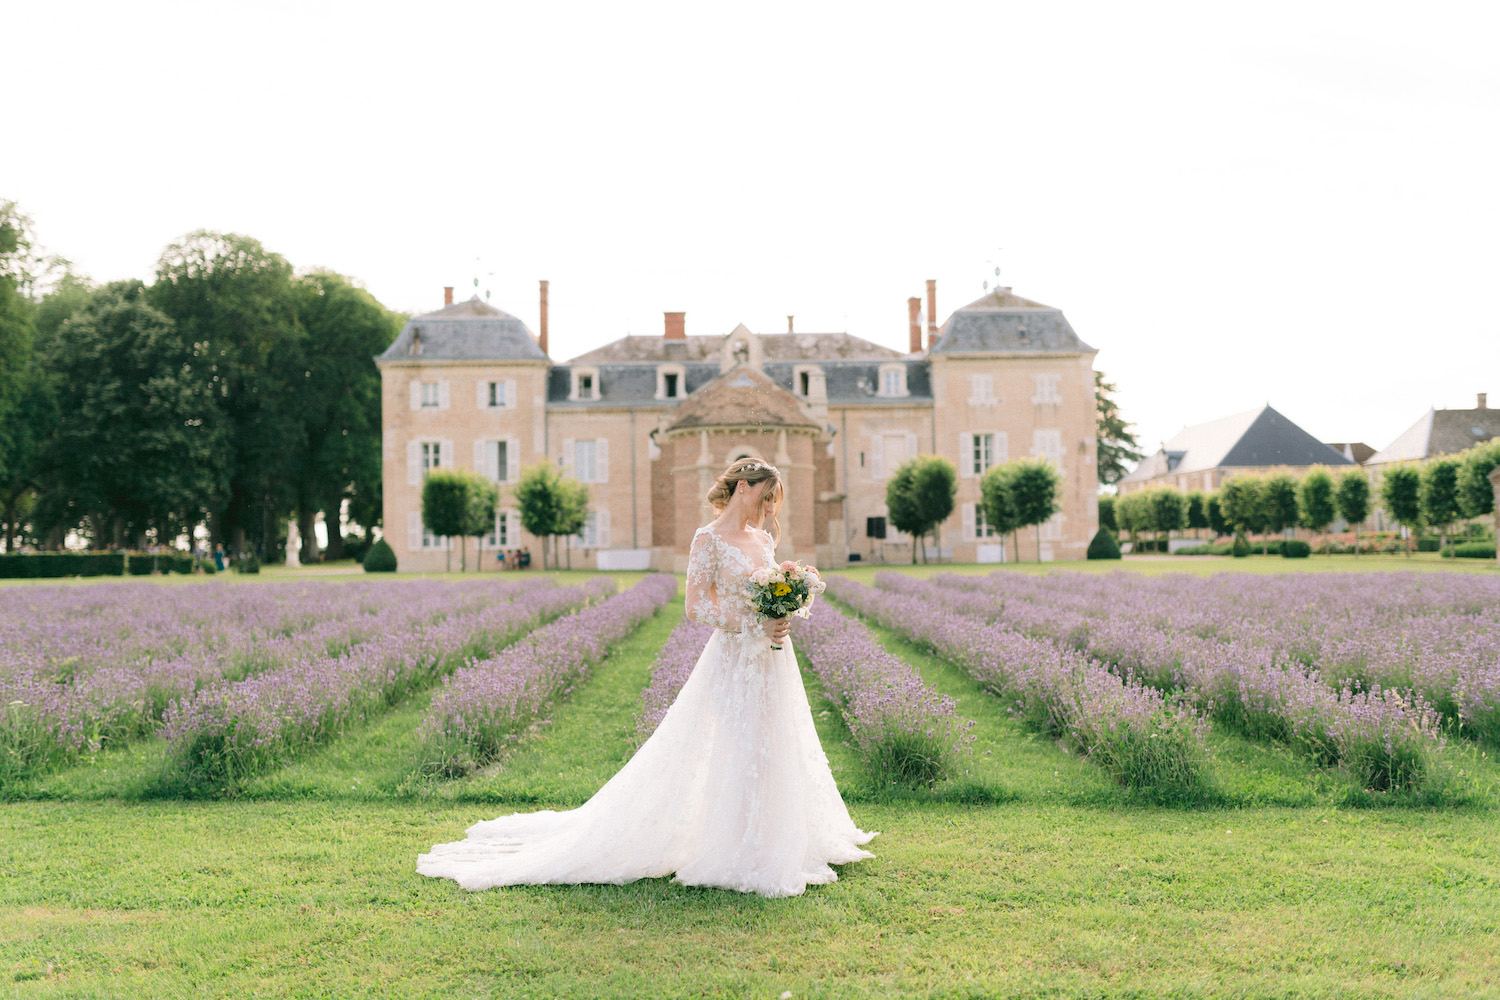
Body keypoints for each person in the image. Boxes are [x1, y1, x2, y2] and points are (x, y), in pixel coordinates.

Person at [417, 457, 875, 897]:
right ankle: (733, 842)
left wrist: (784, 612)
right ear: (743, 487)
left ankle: (776, 835)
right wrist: (753, 623)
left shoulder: (763, 540)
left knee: (774, 740)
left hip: (772, 658)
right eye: (766, 496)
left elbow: (769, 592)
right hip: (734, 655)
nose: (769, 507)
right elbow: (695, 606)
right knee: (736, 741)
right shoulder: (707, 539)